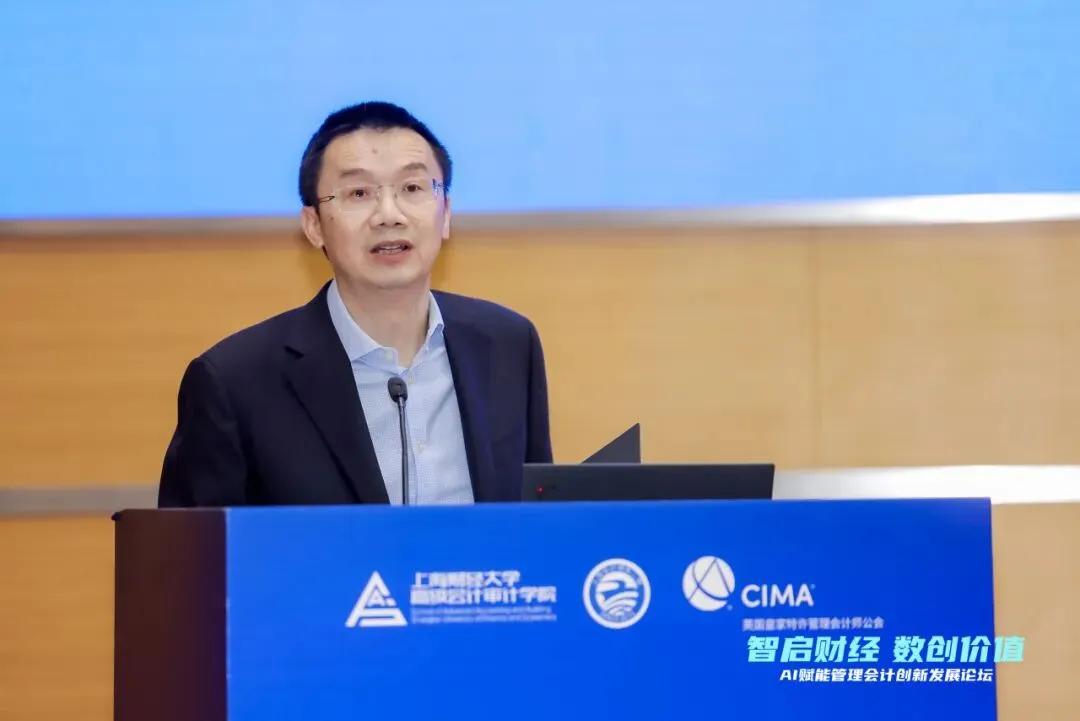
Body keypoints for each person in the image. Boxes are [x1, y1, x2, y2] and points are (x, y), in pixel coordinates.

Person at [157, 101, 553, 507]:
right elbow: (193, 545)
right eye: (359, 193)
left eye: (412, 188)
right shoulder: (234, 382)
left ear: (446, 213)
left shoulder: (508, 345)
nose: (389, 215)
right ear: (314, 226)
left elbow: (539, 522)